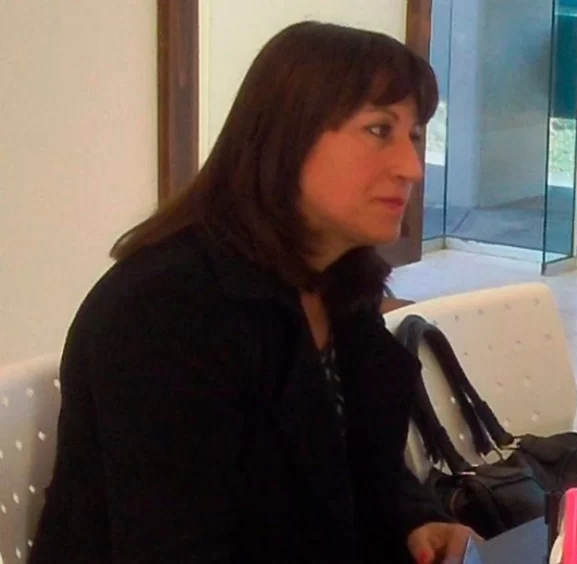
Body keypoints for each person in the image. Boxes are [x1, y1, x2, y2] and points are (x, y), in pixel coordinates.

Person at [29, 21, 476, 564]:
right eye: (379, 130)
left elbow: (347, 460)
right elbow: (175, 545)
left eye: (415, 136)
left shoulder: (339, 281)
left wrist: (415, 519)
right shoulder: (163, 310)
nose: (410, 167)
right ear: (289, 138)